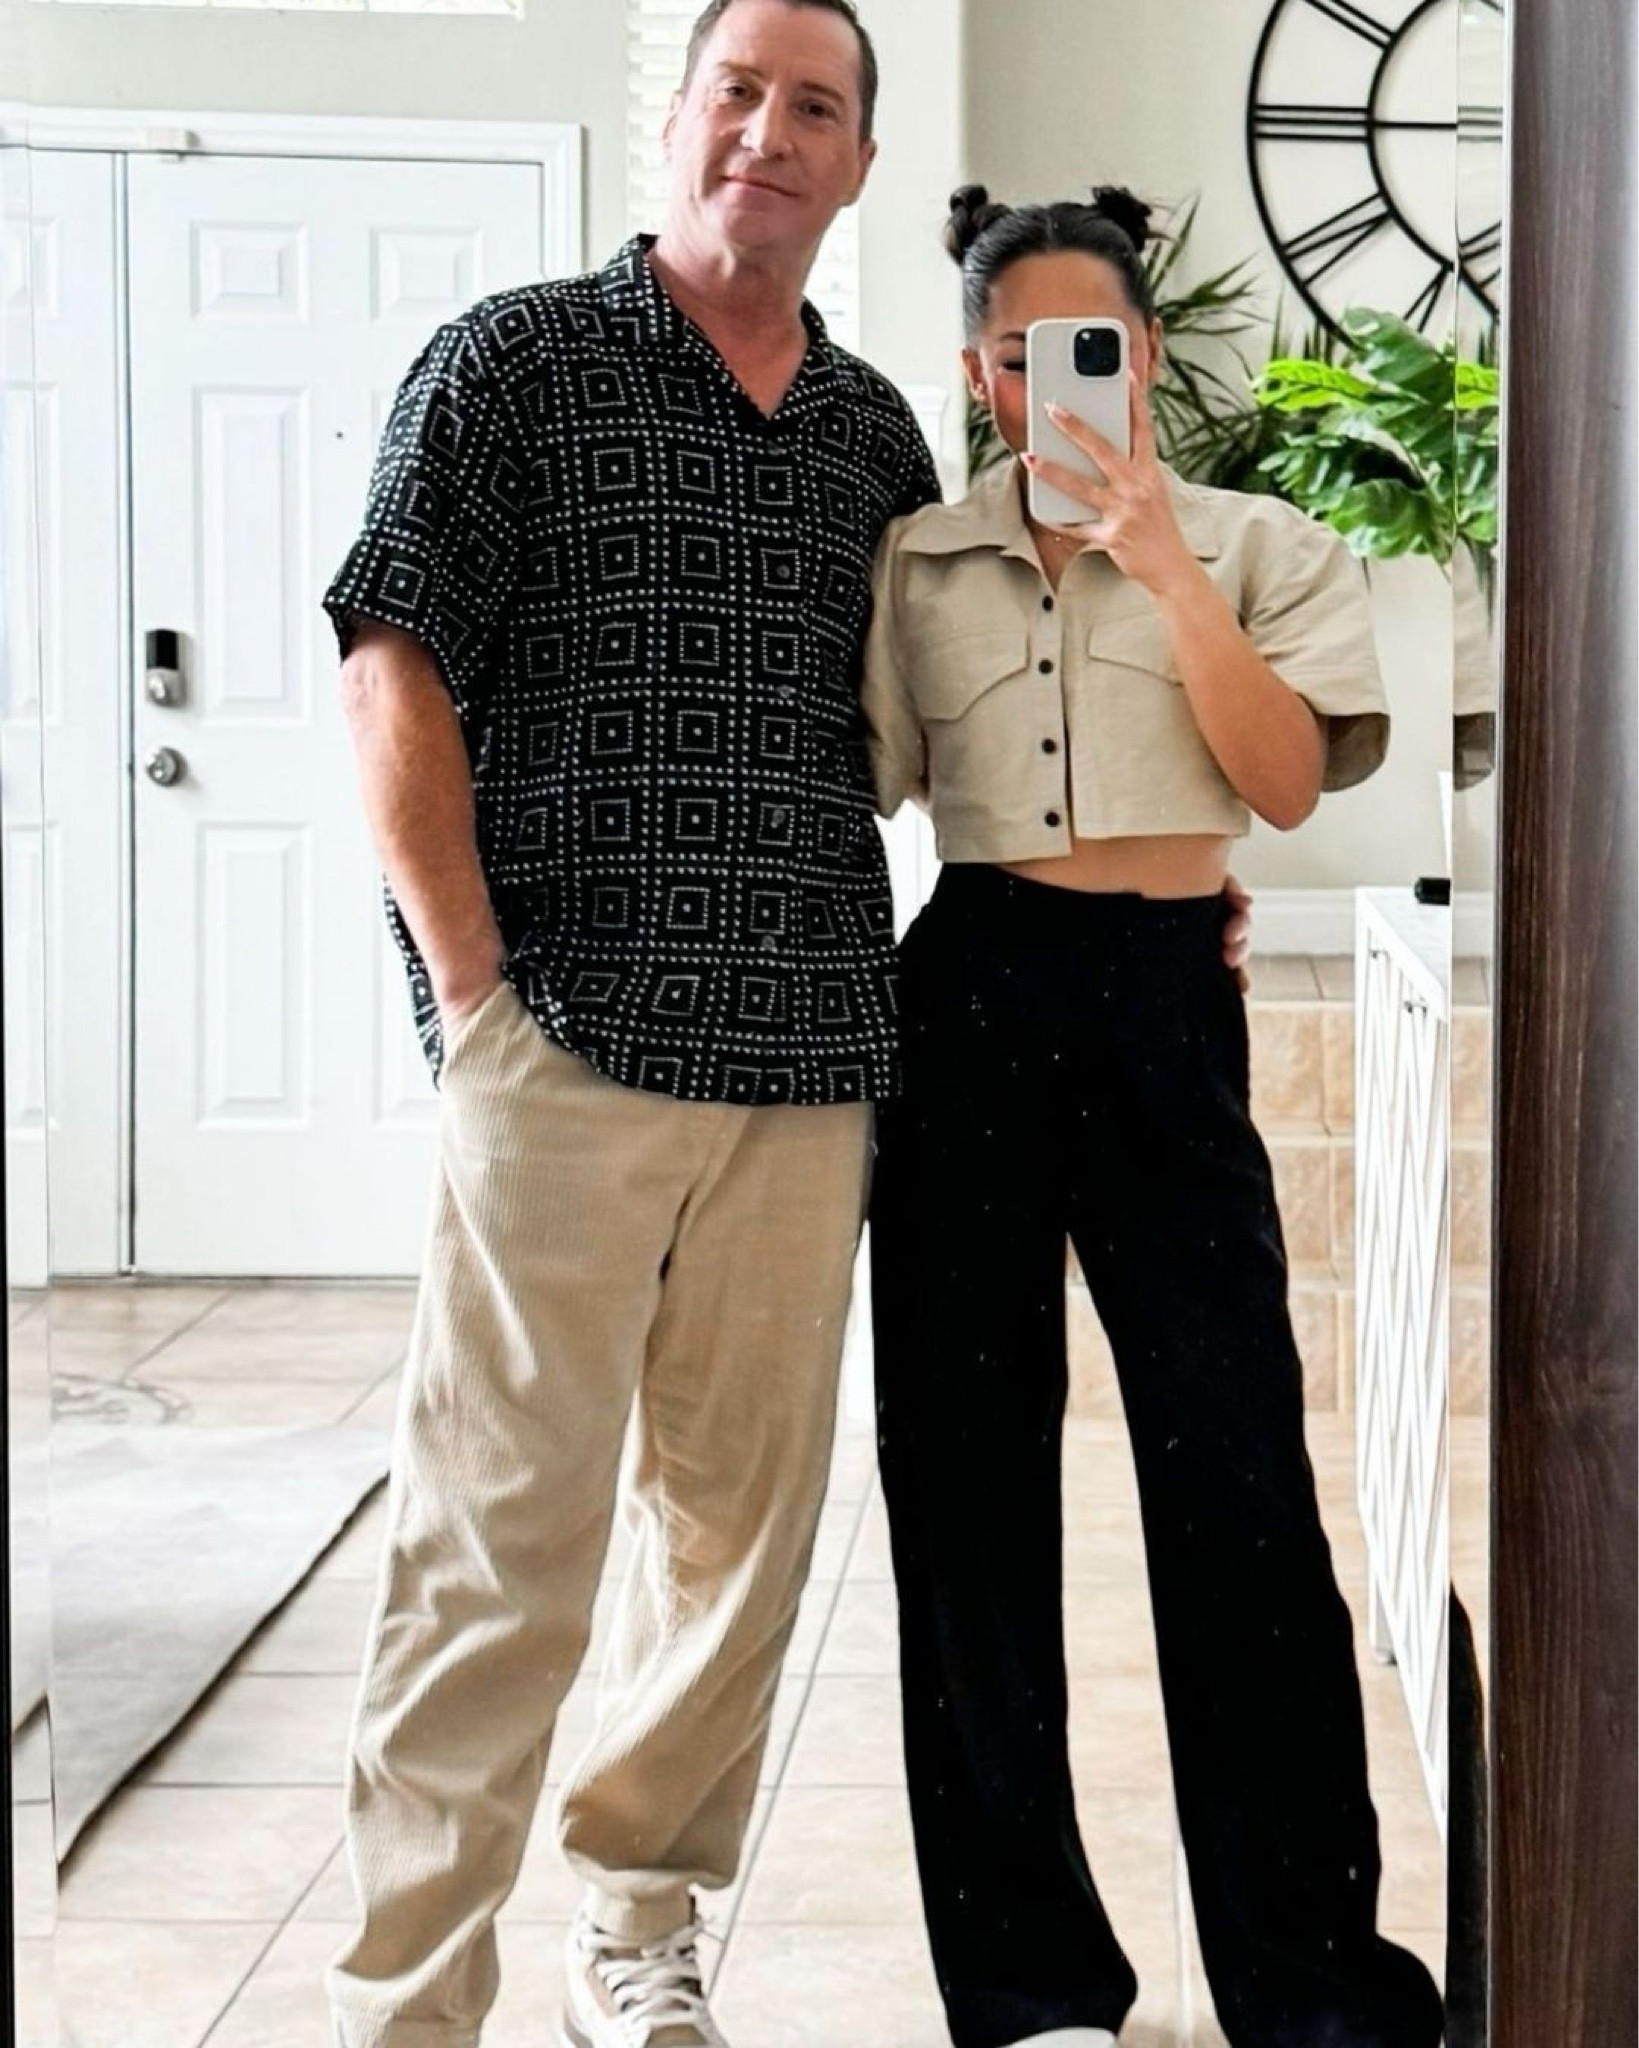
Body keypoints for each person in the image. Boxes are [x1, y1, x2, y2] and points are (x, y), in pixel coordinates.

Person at [322, 6, 935, 2044]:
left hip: (807, 1062)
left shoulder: (875, 439)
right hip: (563, 1046)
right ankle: (408, 1994)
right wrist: (473, 993)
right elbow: (390, 659)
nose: (770, 130)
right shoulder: (512, 364)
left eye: (816, 106)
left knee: (740, 1544)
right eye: (737, 91)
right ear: (670, 122)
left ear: (856, 166)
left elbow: (951, 728)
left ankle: (636, 1925)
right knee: (496, 1541)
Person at [862, 185, 1447, 2048]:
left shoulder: (1265, 548)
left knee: (1240, 1484)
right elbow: (860, 790)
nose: (1052, 382)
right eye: (1016, 357)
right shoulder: (914, 564)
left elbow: (1280, 787)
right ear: (976, 373)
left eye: (1089, 348)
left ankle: (1312, 1979)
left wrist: (1163, 564)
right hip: (967, 993)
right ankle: (1027, 1985)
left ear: (1151, 353)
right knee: (966, 1495)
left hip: (1165, 1001)